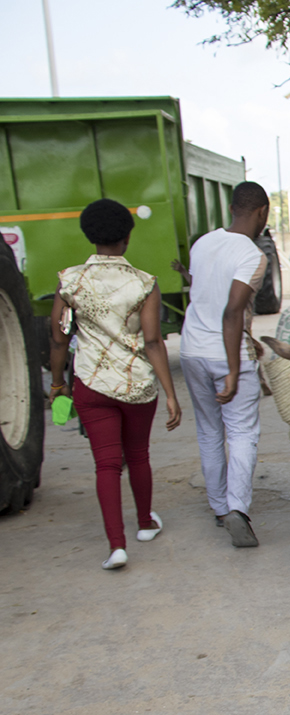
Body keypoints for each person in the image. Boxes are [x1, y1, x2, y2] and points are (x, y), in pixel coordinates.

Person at [48, 199, 183, 570]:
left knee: (106, 464)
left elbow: (59, 339)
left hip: (90, 384)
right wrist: (171, 394)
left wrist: (58, 383)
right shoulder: (144, 284)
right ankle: (144, 524)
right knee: (138, 455)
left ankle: (116, 546)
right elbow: (154, 342)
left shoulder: (69, 281)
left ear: (89, 235)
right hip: (137, 386)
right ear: (127, 237)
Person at [178, 181, 270, 548]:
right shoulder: (252, 255)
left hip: (191, 351)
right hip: (225, 354)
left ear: (232, 208)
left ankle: (219, 507)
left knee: (208, 431)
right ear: (262, 212)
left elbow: (200, 292)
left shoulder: (203, 243)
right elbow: (232, 311)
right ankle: (237, 509)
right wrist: (233, 369)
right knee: (243, 433)